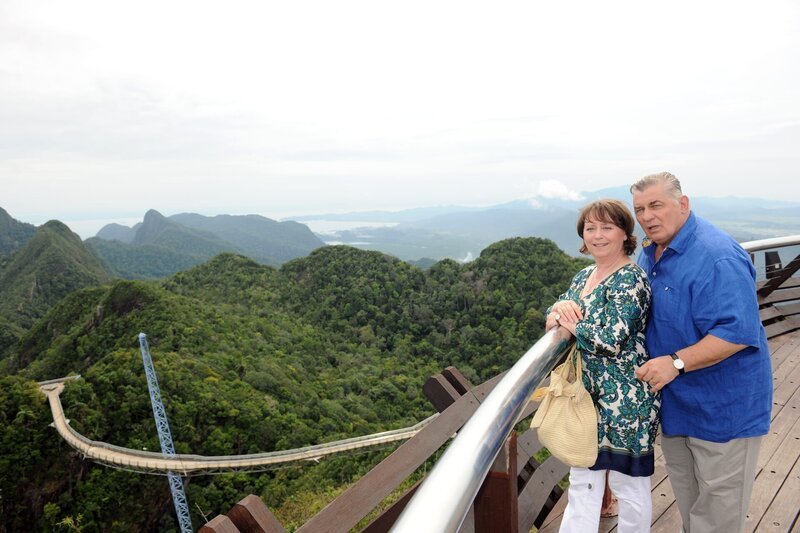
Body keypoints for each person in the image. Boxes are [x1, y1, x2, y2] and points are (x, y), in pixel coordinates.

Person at [631, 172, 772, 533]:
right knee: (693, 505)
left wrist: (676, 362)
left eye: (656, 205)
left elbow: (736, 333)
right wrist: (565, 310)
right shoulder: (652, 252)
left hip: (723, 409)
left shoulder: (717, 256)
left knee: (718, 515)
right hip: (677, 406)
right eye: (640, 209)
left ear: (683, 204)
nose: (647, 216)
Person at [546, 198, 660, 533]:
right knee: (582, 480)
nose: (597, 235)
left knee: (629, 486)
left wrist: (569, 324)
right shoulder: (584, 276)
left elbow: (612, 339)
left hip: (628, 401)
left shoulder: (631, 278)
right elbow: (558, 312)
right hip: (588, 399)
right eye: (591, 228)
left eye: (607, 227)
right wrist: (556, 313)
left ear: (625, 233)